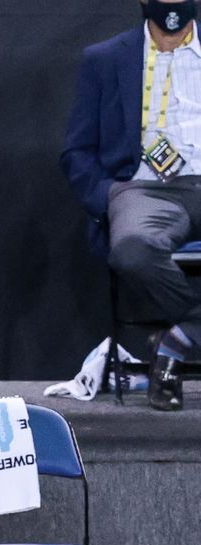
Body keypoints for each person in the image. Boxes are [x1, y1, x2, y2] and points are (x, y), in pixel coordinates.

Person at [62, 0, 201, 411]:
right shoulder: (105, 59)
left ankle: (175, 342)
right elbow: (77, 149)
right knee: (133, 249)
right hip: (145, 190)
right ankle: (187, 335)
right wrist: (109, 196)